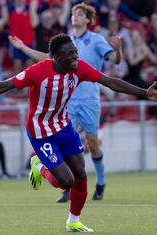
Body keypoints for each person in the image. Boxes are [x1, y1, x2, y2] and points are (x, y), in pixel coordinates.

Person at [0, 33, 157, 232]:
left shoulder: (79, 68)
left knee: (81, 173)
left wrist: (144, 93)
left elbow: (110, 82)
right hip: (41, 133)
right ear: (56, 57)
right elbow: (4, 85)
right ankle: (39, 166)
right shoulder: (37, 72)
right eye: (71, 54)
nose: (76, 56)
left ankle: (74, 221)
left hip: (63, 127)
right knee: (66, 182)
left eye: (76, 52)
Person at [9, 2, 123, 202]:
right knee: (64, 145)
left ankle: (101, 183)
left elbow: (116, 61)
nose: (75, 17)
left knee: (93, 144)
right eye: (73, 14)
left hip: (88, 99)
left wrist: (119, 50)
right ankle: (67, 188)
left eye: (80, 14)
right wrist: (23, 47)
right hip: (66, 100)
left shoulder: (96, 40)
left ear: (88, 19)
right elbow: (47, 58)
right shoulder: (66, 41)